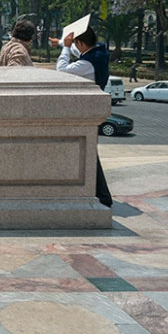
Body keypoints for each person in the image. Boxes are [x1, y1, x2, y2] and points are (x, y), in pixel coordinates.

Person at [51, 25, 113, 208]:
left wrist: (65, 48)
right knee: (89, 152)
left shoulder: (87, 64)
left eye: (75, 44)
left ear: (80, 42)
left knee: (88, 153)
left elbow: (61, 71)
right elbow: (81, 53)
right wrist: (63, 42)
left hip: (84, 111)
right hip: (92, 110)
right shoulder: (99, 52)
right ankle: (99, 193)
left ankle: (102, 195)